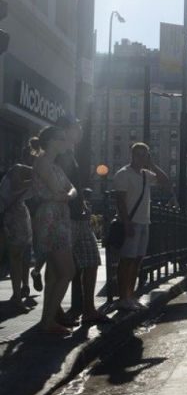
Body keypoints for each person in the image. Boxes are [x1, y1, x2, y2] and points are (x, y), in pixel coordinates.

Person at [54, 114, 112, 325]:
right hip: (66, 217)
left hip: (79, 215)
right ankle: (55, 310)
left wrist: (82, 203)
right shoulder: (59, 154)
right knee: (61, 268)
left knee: (91, 260)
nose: (80, 130)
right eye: (76, 127)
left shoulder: (70, 153)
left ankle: (88, 309)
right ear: (65, 130)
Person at [112, 142, 170, 311]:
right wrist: (127, 222)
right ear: (131, 155)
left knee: (137, 260)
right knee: (126, 261)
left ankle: (131, 296)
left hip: (145, 222)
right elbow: (120, 199)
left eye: (144, 155)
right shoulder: (123, 174)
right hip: (130, 222)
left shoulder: (146, 174)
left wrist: (151, 164)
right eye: (138, 154)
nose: (141, 158)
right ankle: (123, 297)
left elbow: (164, 180)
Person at [31, 126, 78, 334]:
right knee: (68, 271)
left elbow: (71, 189)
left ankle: (47, 320)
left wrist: (67, 195)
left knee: (54, 273)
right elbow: (60, 191)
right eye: (61, 139)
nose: (64, 142)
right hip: (52, 218)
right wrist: (67, 195)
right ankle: (48, 321)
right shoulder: (43, 162)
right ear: (50, 142)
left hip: (58, 216)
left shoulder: (54, 165)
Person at [0, 139, 38, 311]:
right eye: (34, 157)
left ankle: (18, 293)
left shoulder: (38, 176)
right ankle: (17, 295)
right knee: (12, 254)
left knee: (19, 254)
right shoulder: (18, 169)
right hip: (7, 212)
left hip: (16, 212)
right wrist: (34, 180)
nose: (36, 161)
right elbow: (14, 189)